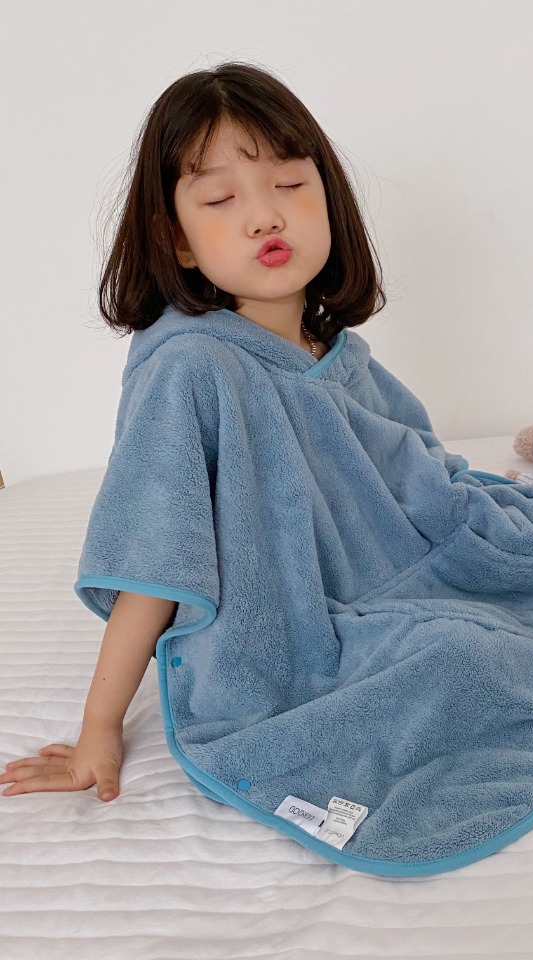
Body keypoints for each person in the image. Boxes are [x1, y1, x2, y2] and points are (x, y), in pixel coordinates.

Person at [1, 60, 386, 803]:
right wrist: (98, 730)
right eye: (220, 197)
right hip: (284, 637)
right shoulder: (192, 370)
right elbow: (157, 555)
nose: (265, 216)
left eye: (290, 184)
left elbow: (399, 476)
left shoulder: (332, 352)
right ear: (178, 240)